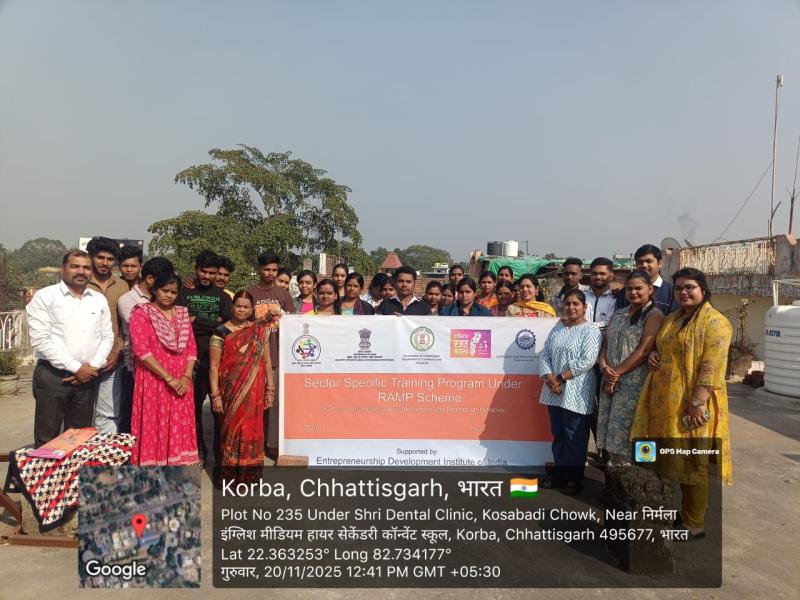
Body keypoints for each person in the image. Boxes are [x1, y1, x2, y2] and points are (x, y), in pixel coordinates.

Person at [631, 268, 732, 538]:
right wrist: (653, 354)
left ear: (703, 290)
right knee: (666, 458)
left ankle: (694, 523)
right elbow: (664, 345)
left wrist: (698, 403)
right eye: (678, 288)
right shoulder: (673, 318)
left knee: (692, 462)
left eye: (689, 287)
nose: (683, 292)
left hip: (693, 405)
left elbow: (712, 367)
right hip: (664, 404)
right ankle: (676, 510)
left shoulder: (716, 322)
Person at [26, 250, 114, 447]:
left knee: (79, 439)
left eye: (86, 267)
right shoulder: (45, 297)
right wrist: (77, 368)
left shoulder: (98, 299)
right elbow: (41, 340)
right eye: (75, 266)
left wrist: (92, 367)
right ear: (62, 269)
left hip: (87, 378)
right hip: (53, 376)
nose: (81, 271)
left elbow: (107, 336)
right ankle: (47, 468)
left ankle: (74, 469)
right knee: (47, 439)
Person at [129, 272, 198, 466]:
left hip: (182, 381)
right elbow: (141, 350)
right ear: (154, 290)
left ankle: (176, 469)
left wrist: (186, 376)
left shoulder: (182, 314)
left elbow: (191, 347)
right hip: (154, 380)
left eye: (173, 292)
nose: (168, 295)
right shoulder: (142, 312)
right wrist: (168, 378)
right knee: (155, 423)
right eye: (164, 290)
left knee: (178, 423)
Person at [596, 271, 664, 466]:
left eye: (638, 288)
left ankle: (636, 478)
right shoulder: (619, 313)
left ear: (650, 289)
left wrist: (616, 374)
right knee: (611, 430)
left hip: (633, 384)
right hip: (610, 378)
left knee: (630, 431)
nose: (633, 292)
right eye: (629, 289)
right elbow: (606, 344)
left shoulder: (654, 315)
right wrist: (604, 366)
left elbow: (643, 351)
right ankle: (614, 476)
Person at [539, 289, 603, 494]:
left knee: (574, 435)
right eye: (567, 304)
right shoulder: (558, 326)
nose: (571, 307)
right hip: (553, 389)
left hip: (577, 390)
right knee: (558, 434)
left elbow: (587, 360)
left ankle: (574, 479)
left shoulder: (591, 330)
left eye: (576, 304)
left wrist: (559, 378)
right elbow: (545, 353)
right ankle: (559, 474)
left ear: (585, 307)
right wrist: (549, 377)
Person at [208, 291, 274, 478]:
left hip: (254, 392)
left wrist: (270, 390)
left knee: (251, 430)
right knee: (230, 430)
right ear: (232, 307)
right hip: (229, 392)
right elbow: (213, 366)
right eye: (238, 306)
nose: (241, 310)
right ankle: (228, 476)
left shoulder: (259, 331)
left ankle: (248, 475)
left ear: (252, 309)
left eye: (246, 307)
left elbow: (267, 361)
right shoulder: (221, 331)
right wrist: (215, 396)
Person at [177, 250, 233, 465]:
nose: (207, 276)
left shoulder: (223, 297)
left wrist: (196, 320)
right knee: (192, 410)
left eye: (212, 272)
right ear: (196, 269)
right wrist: (212, 322)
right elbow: (180, 322)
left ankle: (220, 455)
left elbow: (226, 326)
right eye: (204, 271)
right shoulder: (184, 292)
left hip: (216, 362)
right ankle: (199, 450)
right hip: (190, 362)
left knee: (220, 409)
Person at [117, 256, 175, 434]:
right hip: (138, 366)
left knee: (159, 414)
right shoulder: (128, 300)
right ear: (150, 279)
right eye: (163, 284)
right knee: (133, 412)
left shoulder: (165, 298)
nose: (168, 291)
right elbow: (147, 332)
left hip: (166, 365)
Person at [247, 252, 295, 458]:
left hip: (278, 356)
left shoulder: (283, 295)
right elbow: (244, 325)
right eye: (266, 269)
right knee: (255, 403)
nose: (270, 273)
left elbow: (293, 324)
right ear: (259, 269)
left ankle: (273, 444)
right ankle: (254, 442)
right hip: (255, 357)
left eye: (274, 270)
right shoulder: (249, 293)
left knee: (274, 404)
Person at [86, 236, 127, 435]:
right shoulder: (81, 284)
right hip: (83, 360)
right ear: (91, 257)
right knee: (81, 412)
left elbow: (123, 324)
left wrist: (117, 351)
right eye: (100, 257)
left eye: (110, 259)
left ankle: (105, 452)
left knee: (110, 413)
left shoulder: (122, 286)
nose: (105, 263)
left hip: (112, 359)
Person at [616, 244, 677, 314]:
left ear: (659, 263)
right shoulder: (625, 292)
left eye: (649, 261)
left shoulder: (672, 292)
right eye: (640, 262)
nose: (644, 265)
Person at [584, 257, 617, 332]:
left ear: (611, 275)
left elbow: (610, 323)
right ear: (590, 274)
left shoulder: (615, 298)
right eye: (594, 273)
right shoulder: (581, 296)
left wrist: (582, 326)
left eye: (602, 274)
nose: (598, 277)